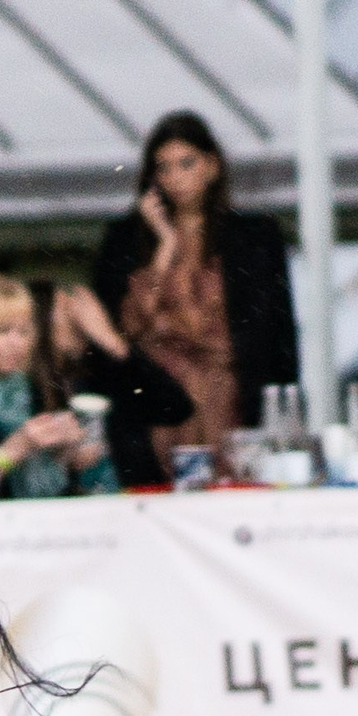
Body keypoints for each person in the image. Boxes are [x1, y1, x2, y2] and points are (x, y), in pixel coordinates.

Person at [92, 109, 298, 459]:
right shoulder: (125, 240)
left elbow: (278, 332)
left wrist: (282, 409)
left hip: (232, 400)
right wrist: (165, 246)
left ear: (212, 166)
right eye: (164, 167)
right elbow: (123, 329)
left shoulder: (254, 236)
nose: (175, 177)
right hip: (159, 402)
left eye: (186, 163)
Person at [0, 276, 114, 500]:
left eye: (23, 332)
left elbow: (44, 483)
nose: (16, 343)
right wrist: (18, 447)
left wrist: (63, 454)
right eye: (2, 331)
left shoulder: (29, 388)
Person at [45, 281, 192, 492]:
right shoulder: (28, 383)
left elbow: (178, 407)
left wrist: (113, 343)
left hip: (130, 498)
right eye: (67, 308)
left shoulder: (111, 371)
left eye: (86, 308)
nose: (80, 317)